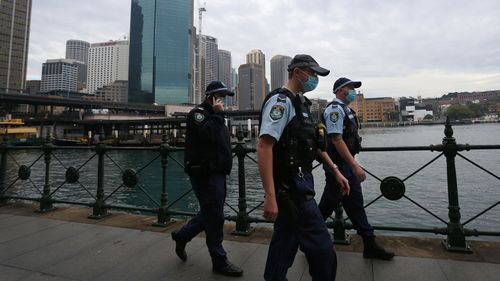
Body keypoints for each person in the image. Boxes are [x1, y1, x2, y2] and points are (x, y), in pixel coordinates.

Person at [257, 54, 350, 281]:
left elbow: (314, 146)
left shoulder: (302, 105)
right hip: (291, 191)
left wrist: (335, 170)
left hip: (299, 185)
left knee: (284, 244)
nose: (315, 78)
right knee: (323, 251)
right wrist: (270, 196)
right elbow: (264, 146)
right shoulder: (282, 102)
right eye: (313, 73)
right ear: (297, 72)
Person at [171, 81, 243, 277]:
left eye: (225, 97)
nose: (224, 101)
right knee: (215, 216)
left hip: (218, 172)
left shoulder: (215, 116)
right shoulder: (198, 114)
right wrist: (219, 114)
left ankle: (182, 236)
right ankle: (219, 260)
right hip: (205, 173)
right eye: (220, 97)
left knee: (211, 212)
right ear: (211, 97)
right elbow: (207, 135)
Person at [318, 77, 394, 260]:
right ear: (339, 90)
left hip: (347, 166)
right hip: (338, 167)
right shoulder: (335, 110)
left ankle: (369, 244)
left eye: (353, 88)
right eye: (349, 87)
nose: (352, 91)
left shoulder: (347, 110)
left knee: (356, 206)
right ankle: (309, 241)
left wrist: (353, 165)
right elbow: (336, 139)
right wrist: (355, 166)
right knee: (326, 207)